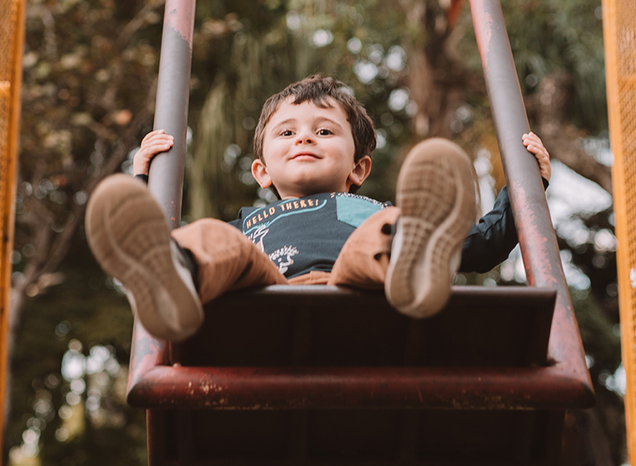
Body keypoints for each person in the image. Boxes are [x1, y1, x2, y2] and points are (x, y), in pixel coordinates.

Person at [86, 75, 551, 341]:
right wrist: (145, 181)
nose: (305, 137)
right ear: (262, 171)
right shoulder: (246, 226)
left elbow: (483, 245)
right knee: (209, 239)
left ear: (359, 167)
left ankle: (419, 263)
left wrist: (527, 186)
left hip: (362, 297)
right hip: (270, 297)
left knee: (390, 227)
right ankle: (175, 283)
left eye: (325, 131)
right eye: (286, 133)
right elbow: (159, 239)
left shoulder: (368, 208)